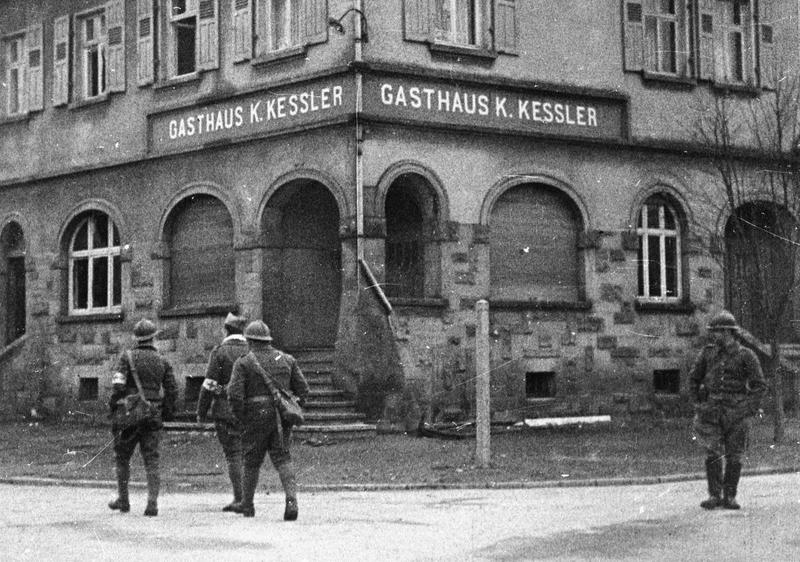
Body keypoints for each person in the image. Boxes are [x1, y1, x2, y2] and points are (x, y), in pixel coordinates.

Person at [228, 320, 310, 520]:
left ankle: (247, 505)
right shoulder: (287, 359)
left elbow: (235, 395)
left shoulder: (244, 362)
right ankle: (291, 500)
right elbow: (303, 390)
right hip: (281, 417)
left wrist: (240, 417)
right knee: (283, 458)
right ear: (268, 340)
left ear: (250, 340)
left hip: (254, 416)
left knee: (251, 461)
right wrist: (291, 407)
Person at [690, 310, 767, 510]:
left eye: (716, 332)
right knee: (712, 452)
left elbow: (759, 385)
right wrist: (698, 403)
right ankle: (714, 495)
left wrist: (747, 408)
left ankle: (730, 496)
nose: (713, 336)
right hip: (711, 412)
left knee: (735, 455)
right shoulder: (708, 353)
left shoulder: (746, 355)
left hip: (737, 413)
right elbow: (693, 378)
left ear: (727, 332)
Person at [108, 318, 177, 516]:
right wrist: (166, 412)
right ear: (153, 338)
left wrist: (114, 405)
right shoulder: (162, 360)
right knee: (152, 460)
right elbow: (172, 390)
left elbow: (118, 385)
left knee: (122, 458)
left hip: (129, 415)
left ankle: (123, 499)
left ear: (137, 338)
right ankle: (152, 503)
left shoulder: (126, 357)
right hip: (152, 414)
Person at [197, 312, 249, 513]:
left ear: (226, 329)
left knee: (233, 455)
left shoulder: (219, 352)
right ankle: (247, 497)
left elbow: (209, 385)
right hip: (249, 411)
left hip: (225, 410)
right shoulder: (251, 350)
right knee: (246, 454)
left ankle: (240, 498)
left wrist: (201, 412)